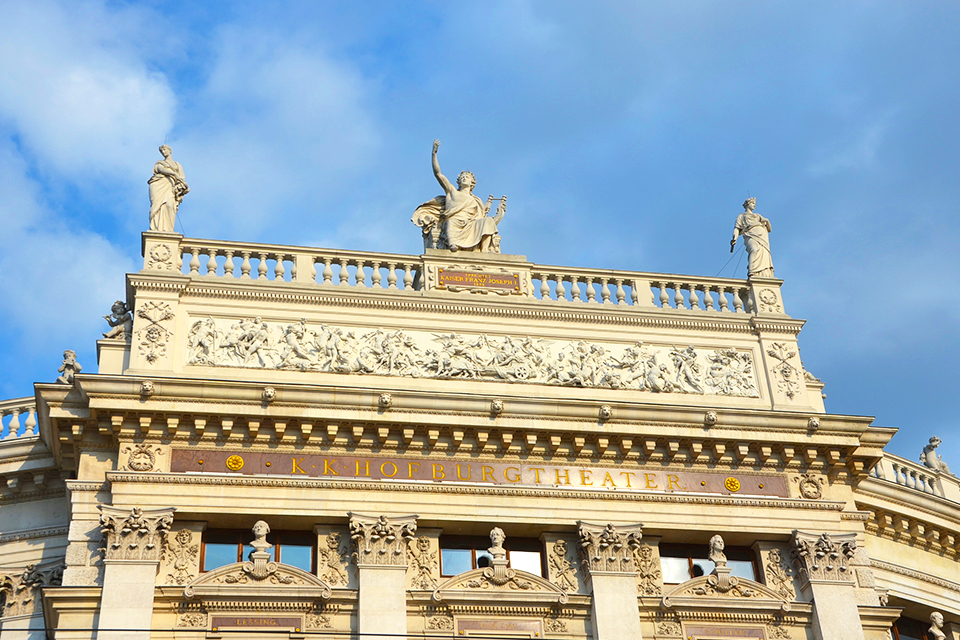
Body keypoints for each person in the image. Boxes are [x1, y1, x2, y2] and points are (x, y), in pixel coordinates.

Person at [412, 140, 501, 252]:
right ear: (458, 181)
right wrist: (434, 154)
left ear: (472, 183)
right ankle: (453, 243)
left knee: (488, 221)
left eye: (467, 177)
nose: (464, 178)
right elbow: (438, 174)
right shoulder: (452, 191)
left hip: (471, 224)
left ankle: (484, 249)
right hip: (455, 220)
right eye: (462, 177)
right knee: (451, 222)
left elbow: (481, 216)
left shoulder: (476, 200)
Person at [149, 145, 189, 232]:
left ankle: (168, 229)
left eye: (164, 150)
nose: (163, 152)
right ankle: (157, 228)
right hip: (158, 184)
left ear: (170, 151)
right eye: (161, 151)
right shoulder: (160, 163)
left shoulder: (177, 165)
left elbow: (182, 178)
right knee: (157, 206)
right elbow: (162, 169)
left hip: (170, 187)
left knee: (170, 205)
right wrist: (174, 174)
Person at [730, 197, 774, 278]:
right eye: (752, 203)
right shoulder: (741, 216)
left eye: (754, 204)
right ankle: (752, 271)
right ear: (747, 204)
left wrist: (767, 221)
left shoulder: (757, 215)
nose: (754, 205)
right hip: (750, 235)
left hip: (762, 237)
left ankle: (762, 273)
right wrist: (734, 238)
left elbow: (770, 229)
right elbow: (737, 228)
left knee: (762, 252)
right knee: (754, 249)